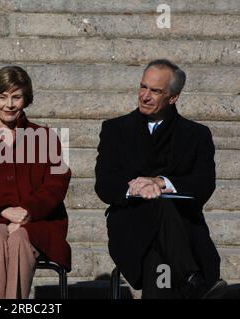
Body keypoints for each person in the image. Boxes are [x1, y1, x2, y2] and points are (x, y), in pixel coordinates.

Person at [95, 59, 227, 299]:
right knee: (157, 210)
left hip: (182, 229)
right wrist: (135, 187)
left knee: (158, 257)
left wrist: (161, 182)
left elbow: (204, 184)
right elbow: (105, 185)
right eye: (143, 87)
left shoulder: (196, 135)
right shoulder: (115, 129)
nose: (145, 96)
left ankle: (190, 279)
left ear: (173, 97)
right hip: (130, 224)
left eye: (155, 91)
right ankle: (194, 280)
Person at [0, 66, 72, 299]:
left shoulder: (47, 138)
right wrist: (4, 211)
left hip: (38, 222)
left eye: (16, 97)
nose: (9, 104)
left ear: (26, 100)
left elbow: (56, 185)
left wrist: (26, 213)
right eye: (2, 97)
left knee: (20, 238)